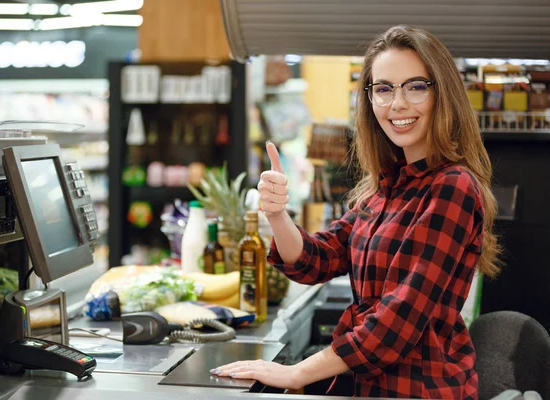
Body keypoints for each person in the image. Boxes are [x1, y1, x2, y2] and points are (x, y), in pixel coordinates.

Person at [210, 24, 501, 399]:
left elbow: (399, 319)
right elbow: (317, 260)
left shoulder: (451, 187)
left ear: (441, 94)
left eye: (415, 86)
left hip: (419, 390)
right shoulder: (386, 188)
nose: (397, 103)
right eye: (383, 89)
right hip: (370, 385)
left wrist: (298, 373)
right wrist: (278, 215)